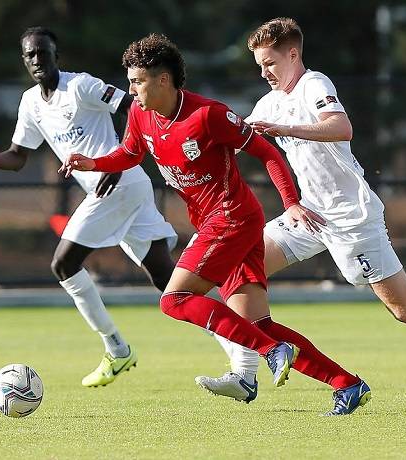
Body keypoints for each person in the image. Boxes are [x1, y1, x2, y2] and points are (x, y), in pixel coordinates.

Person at [196, 17, 406, 412]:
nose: (264, 71)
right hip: (308, 214)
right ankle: (245, 375)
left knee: (405, 309)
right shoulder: (268, 102)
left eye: (269, 62)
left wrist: (284, 128)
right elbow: (245, 138)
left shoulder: (314, 84)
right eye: (259, 64)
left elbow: (341, 127)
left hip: (351, 217)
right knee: (239, 268)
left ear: (293, 54)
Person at [60, 33, 372, 416]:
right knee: (259, 323)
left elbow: (267, 152)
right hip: (217, 222)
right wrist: (92, 163)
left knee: (174, 300)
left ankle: (272, 353)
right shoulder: (140, 114)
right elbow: (130, 152)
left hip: (233, 218)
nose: (131, 90)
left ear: (163, 80)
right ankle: (348, 384)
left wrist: (290, 203)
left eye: (137, 81)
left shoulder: (208, 115)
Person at [0, 27, 178, 388]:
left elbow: (135, 108)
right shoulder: (31, 102)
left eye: (43, 53)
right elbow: (18, 158)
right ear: (24, 60)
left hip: (120, 183)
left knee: (63, 263)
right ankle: (242, 343)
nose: (37, 60)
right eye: (30, 55)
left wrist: (118, 161)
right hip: (122, 190)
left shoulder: (79, 86)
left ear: (56, 54)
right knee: (170, 283)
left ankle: (117, 349)